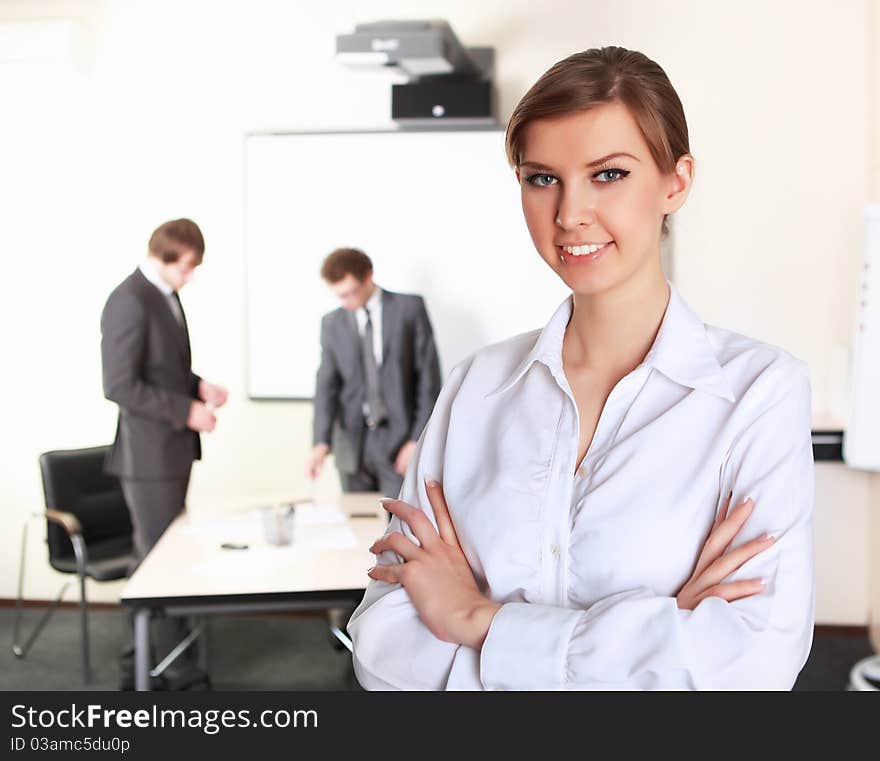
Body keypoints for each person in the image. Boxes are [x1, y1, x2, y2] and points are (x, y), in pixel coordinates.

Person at [348, 46, 815, 690]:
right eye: (542, 178)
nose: (569, 214)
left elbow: (751, 667)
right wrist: (662, 632)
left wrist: (477, 621)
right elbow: (381, 648)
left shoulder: (759, 393)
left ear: (675, 181)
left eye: (609, 175)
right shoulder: (476, 388)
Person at [101, 218, 228, 690]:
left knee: (150, 563)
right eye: (188, 266)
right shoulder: (129, 300)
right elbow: (119, 385)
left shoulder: (164, 296)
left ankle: (138, 669)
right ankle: (175, 670)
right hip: (148, 459)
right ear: (165, 255)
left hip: (169, 455)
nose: (191, 276)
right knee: (160, 566)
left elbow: (162, 369)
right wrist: (187, 411)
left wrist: (199, 387)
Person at [306, 247, 442, 499]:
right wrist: (320, 443)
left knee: (399, 526)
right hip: (353, 445)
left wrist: (417, 440)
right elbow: (326, 385)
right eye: (339, 296)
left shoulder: (409, 309)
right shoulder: (332, 323)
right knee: (357, 526)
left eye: (350, 293)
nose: (345, 302)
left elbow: (428, 380)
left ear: (368, 276)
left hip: (399, 441)